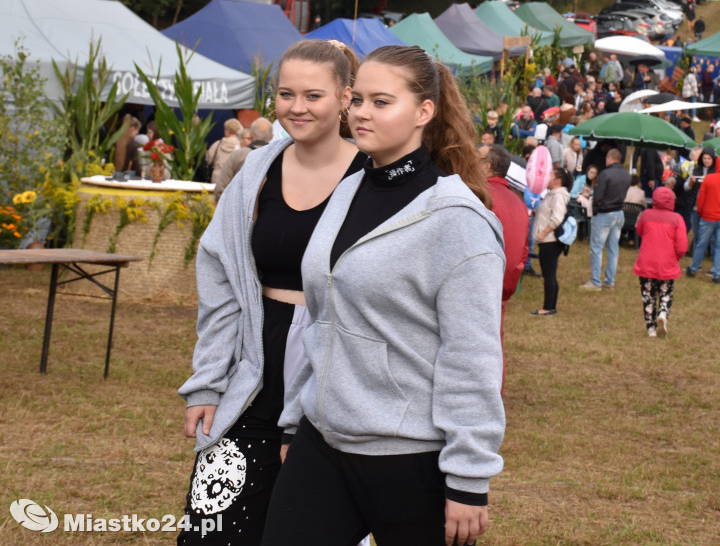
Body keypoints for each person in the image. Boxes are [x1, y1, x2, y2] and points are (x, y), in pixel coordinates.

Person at [263, 45, 505, 546]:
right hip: (322, 443)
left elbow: (473, 355)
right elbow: (322, 315)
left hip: (410, 458)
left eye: (381, 102)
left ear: (423, 112)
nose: (362, 114)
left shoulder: (458, 221)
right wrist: (294, 422)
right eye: (358, 100)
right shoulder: (349, 189)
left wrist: (468, 478)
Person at [177, 40, 364, 545]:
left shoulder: (371, 179)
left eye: (313, 95)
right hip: (253, 369)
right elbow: (220, 283)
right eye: (285, 94)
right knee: (212, 531)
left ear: (347, 97)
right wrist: (207, 382)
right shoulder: (257, 171)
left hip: (332, 376)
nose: (296, 107)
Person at [479, 143, 529, 388]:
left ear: (487, 167)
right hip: (503, 284)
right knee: (494, 341)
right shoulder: (519, 202)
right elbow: (524, 250)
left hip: (479, 285)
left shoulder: (480, 196)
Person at [633, 186, 688, 338]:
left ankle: (651, 329)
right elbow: (682, 245)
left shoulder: (646, 215)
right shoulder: (677, 219)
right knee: (666, 291)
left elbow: (639, 230)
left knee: (648, 295)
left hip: (647, 262)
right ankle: (663, 312)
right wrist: (675, 258)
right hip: (667, 262)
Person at [581, 149, 631, 290]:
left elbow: (599, 194)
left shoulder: (605, 173)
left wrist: (595, 210)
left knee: (597, 247)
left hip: (605, 213)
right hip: (619, 212)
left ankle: (596, 281)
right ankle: (610, 281)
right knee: (613, 248)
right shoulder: (626, 174)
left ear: (609, 158)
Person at [686, 154, 720, 283]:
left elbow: (701, 199)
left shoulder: (709, 179)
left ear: (717, 165)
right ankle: (716, 273)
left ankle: (694, 268)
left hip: (708, 217)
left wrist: (701, 212)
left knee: (701, 243)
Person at [531, 167, 572, 316]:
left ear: (558, 180)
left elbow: (557, 218)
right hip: (546, 241)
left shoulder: (558, 196)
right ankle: (550, 306)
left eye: (550, 175)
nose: (546, 177)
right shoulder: (550, 194)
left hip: (550, 240)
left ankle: (548, 307)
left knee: (549, 274)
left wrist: (543, 232)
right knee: (549, 273)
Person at [213, 118, 275, 202]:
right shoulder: (279, 157)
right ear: (272, 136)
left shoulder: (237, 155)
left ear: (251, 135)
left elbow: (221, 188)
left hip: (238, 208)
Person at [205, 118, 243, 185]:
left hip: (217, 180)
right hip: (233, 180)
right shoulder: (242, 146)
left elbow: (208, 160)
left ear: (227, 131)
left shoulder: (217, 144)